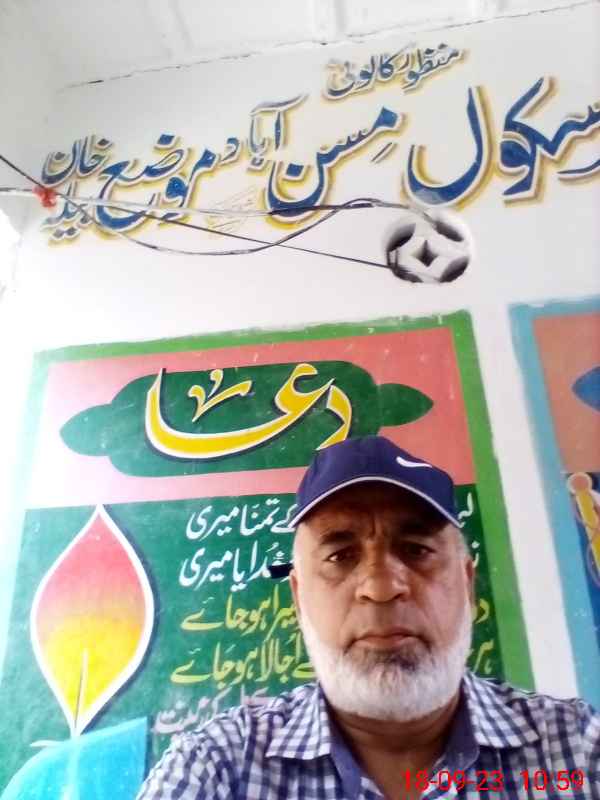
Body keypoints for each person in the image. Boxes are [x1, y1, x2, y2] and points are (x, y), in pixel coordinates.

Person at [137, 436, 600, 799]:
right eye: (340, 556)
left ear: (466, 581)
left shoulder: (578, 753)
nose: (380, 587)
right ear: (298, 596)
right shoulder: (218, 768)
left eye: (416, 550)